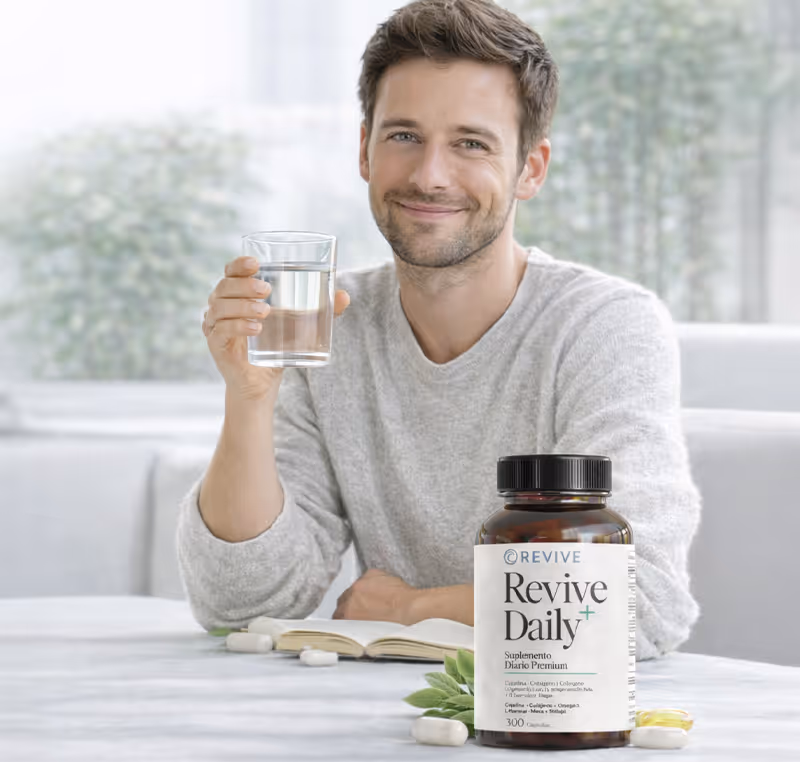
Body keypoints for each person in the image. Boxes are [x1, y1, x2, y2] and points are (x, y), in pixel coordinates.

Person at [178, 0, 700, 660]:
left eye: (471, 144)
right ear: (364, 152)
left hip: (563, 718)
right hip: (379, 726)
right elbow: (241, 606)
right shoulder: (330, 325)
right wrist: (248, 399)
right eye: (403, 136)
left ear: (530, 169)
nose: (429, 175)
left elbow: (640, 601)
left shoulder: (603, 327)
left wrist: (411, 609)